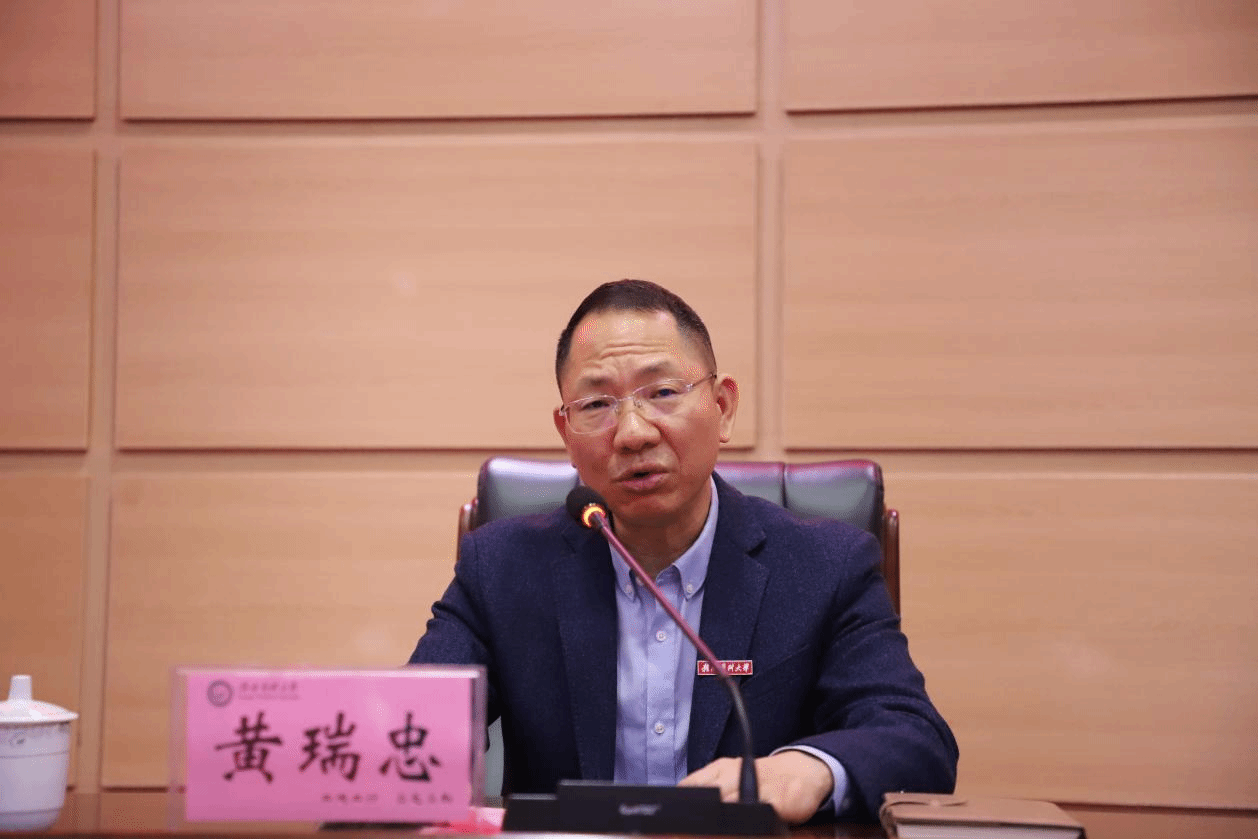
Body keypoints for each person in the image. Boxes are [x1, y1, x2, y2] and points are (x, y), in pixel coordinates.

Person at [409, 279, 958, 823]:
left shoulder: (825, 566)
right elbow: (411, 732)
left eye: (663, 393)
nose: (632, 433)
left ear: (723, 407)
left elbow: (915, 740)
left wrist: (805, 770)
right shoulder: (501, 568)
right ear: (566, 432)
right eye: (596, 403)